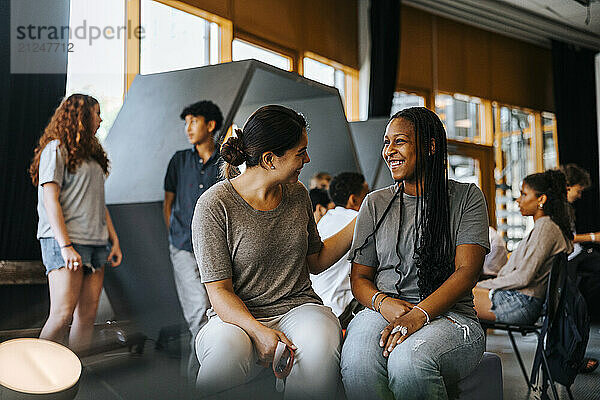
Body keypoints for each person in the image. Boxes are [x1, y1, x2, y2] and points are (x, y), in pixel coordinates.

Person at [191, 105, 355, 398]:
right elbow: (219, 292)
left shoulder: (298, 194)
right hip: (234, 318)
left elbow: (315, 261)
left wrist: (362, 219)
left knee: (321, 342)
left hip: (296, 307)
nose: (307, 159)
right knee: (227, 354)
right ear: (270, 159)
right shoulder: (214, 205)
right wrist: (256, 330)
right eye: (300, 152)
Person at [341, 107, 490, 400]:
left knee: (409, 360)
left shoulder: (466, 197)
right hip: (384, 308)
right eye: (386, 142)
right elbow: (359, 278)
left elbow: (467, 272)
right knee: (358, 360)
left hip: (452, 317)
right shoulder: (375, 203)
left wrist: (418, 315)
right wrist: (384, 304)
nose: (389, 151)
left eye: (400, 141)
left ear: (430, 146)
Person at [29, 94, 122, 353]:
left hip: (96, 243)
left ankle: (76, 378)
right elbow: (50, 201)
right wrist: (66, 246)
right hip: (65, 242)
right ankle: (36, 379)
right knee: (61, 316)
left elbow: (98, 203)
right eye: (97, 113)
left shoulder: (93, 156)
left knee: (87, 318)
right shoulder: (56, 149)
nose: (101, 118)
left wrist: (113, 240)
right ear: (81, 116)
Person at [163, 100, 223, 377]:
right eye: (185, 122)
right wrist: (174, 235)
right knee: (198, 314)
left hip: (217, 250)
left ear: (210, 125)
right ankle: (198, 382)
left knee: (217, 314)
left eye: (193, 121)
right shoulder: (179, 160)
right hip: (183, 248)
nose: (188, 128)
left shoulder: (226, 162)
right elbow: (169, 202)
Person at [473, 170, 573, 325]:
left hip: (520, 303)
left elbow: (523, 278)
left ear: (541, 199)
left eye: (524, 194)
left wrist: (480, 284)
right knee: (456, 296)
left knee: (452, 298)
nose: (518, 200)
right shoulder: (545, 226)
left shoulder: (545, 228)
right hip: (520, 300)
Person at [310, 172, 369, 328]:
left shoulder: (327, 218)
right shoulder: (359, 221)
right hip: (341, 309)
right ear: (353, 200)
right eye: (367, 195)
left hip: (318, 306)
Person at [561, 164, 598, 373]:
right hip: (570, 261)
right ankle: (573, 358)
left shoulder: (566, 209)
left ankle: (575, 357)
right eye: (579, 190)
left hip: (577, 257)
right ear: (568, 186)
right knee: (575, 312)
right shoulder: (556, 212)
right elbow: (565, 239)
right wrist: (594, 237)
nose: (580, 195)